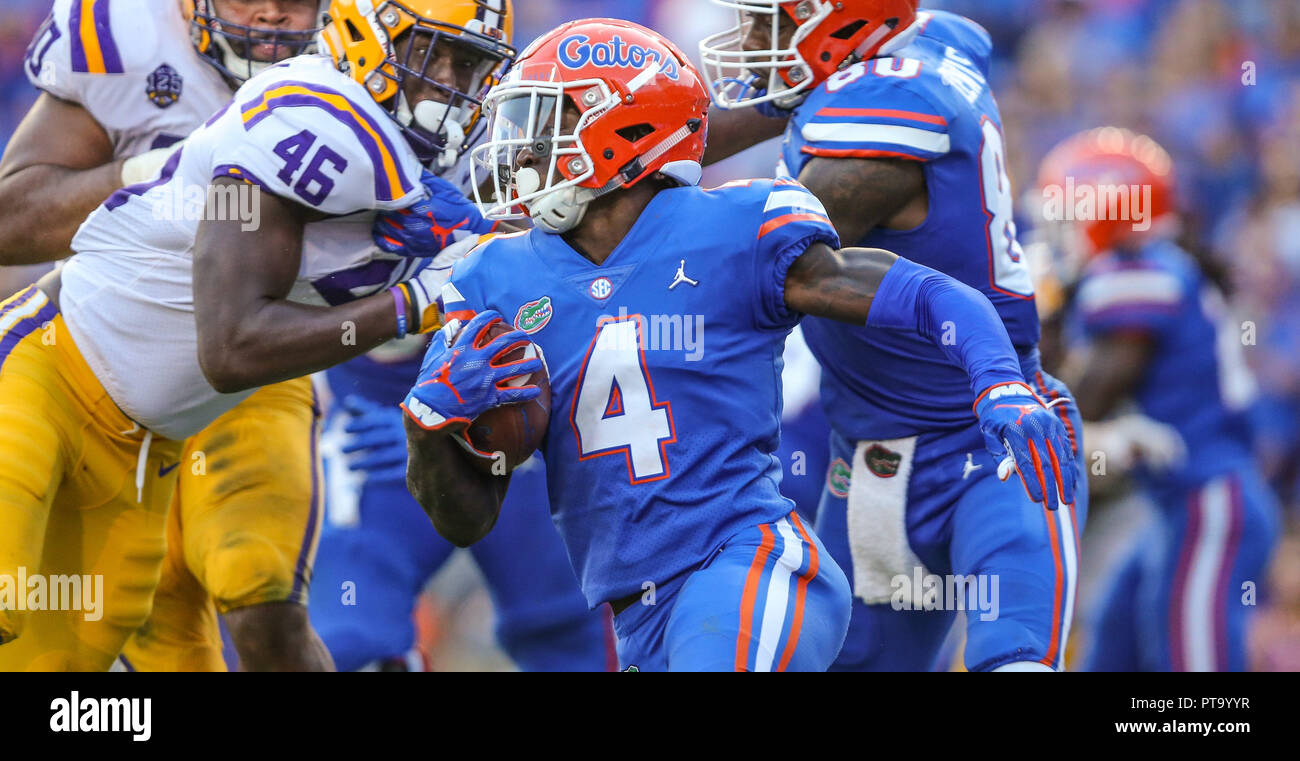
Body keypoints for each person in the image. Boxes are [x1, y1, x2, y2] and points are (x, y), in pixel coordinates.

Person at [400, 18, 1076, 671]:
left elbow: (927, 293)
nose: (517, 150)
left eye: (543, 123)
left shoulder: (732, 227)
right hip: (635, 616)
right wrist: (430, 429)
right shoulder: (493, 278)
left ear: (620, 130)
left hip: (747, 565)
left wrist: (1000, 382)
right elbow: (465, 519)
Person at [0, 0, 505, 670]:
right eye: (429, 53)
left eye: (465, 62)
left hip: (163, 430)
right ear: (364, 36)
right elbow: (232, 343)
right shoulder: (313, 113)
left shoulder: (458, 152)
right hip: (57, 369)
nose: (270, 17)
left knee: (232, 602)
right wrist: (412, 299)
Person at [697, 1, 1087, 671]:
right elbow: (683, 146)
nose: (756, 38)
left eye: (773, 20)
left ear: (839, 22)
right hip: (867, 462)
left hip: (989, 442)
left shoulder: (881, 109)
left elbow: (766, 251)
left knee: (1013, 660)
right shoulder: (917, 42)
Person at [1, 0, 332, 672]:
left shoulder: (369, 66)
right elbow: (12, 219)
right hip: (101, 355)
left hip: (251, 367)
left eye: (294, 0)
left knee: (261, 591)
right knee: (87, 633)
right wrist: (159, 173)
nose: (269, 17)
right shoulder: (127, 32)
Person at [1040, 127, 1280, 671]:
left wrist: (1043, 317)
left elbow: (1081, 402)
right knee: (1111, 648)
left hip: (1208, 498)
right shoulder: (1161, 265)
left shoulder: (1139, 273)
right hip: (1177, 502)